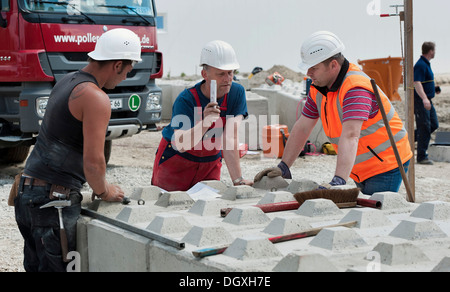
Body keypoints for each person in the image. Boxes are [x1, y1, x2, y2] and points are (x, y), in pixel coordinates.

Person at [13, 28, 140, 271]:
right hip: (52, 201)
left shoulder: (68, 81)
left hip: (27, 193)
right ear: (117, 65)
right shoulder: (95, 97)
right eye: (128, 69)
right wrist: (104, 191)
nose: (126, 76)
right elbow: (93, 162)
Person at [254, 31, 413, 196]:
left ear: (333, 65)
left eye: (314, 68)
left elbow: (351, 135)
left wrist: (339, 181)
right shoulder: (319, 88)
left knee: (373, 212)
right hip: (363, 164)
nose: (308, 73)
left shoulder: (355, 89)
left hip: (386, 162)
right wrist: (284, 167)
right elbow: (302, 127)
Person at [152, 40, 253, 191]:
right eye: (221, 74)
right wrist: (205, 123)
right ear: (204, 74)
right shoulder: (186, 99)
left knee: (208, 209)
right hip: (177, 162)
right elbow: (181, 145)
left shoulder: (236, 93)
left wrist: (238, 180)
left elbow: (229, 138)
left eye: (230, 73)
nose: (227, 79)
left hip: (209, 165)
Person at [414, 42, 440, 165]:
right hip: (421, 101)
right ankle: (421, 156)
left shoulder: (425, 64)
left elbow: (424, 82)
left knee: (433, 124)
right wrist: (424, 98)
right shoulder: (420, 65)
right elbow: (417, 83)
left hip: (427, 100)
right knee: (424, 127)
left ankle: (408, 138)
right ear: (430, 51)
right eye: (434, 50)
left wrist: (434, 88)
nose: (435, 52)